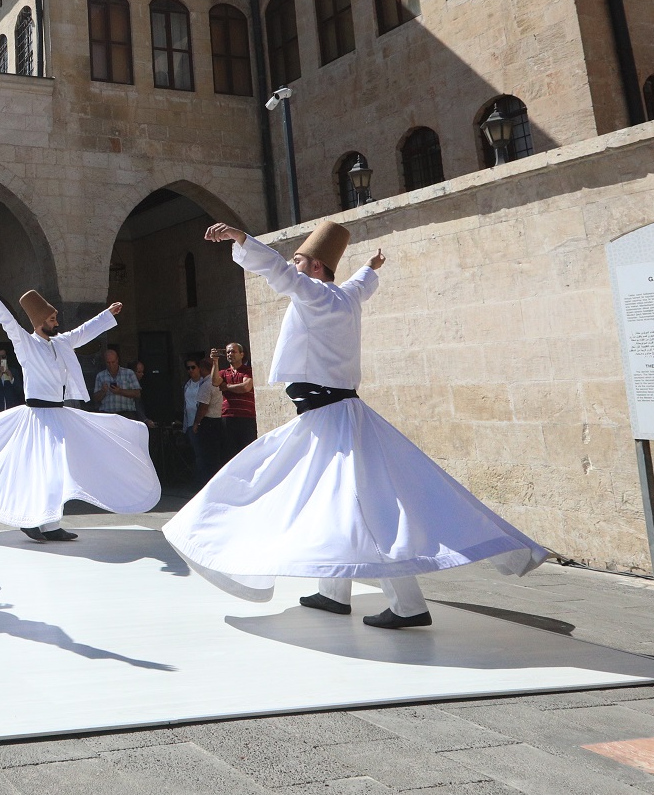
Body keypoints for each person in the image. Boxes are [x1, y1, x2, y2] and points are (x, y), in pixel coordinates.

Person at [166, 221, 547, 630]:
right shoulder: (347, 296)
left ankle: (408, 604)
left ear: (314, 269)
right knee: (336, 499)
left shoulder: (313, 294)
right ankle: (333, 593)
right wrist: (371, 265)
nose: (293, 267)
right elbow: (362, 283)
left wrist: (241, 239)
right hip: (334, 414)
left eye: (299, 261)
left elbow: (276, 271)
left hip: (329, 418)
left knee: (357, 503)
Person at [0, 280, 158, 543]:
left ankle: (51, 524)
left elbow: (84, 331)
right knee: (38, 470)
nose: (56, 322)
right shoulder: (25, 344)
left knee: (56, 471)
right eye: (52, 318)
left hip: (59, 414)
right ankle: (30, 520)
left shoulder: (61, 342)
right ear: (40, 321)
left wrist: (107, 314)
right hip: (37, 416)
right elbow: (8, 322)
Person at [214, 341, 256, 465]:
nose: (230, 354)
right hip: (228, 416)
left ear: (242, 354)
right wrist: (215, 362)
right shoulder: (224, 372)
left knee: (247, 450)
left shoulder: (248, 370)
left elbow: (245, 387)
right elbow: (215, 382)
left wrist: (226, 386)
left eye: (233, 351)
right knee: (230, 453)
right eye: (227, 352)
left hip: (246, 417)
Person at [93, 346, 141, 419]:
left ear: (117, 360)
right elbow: (96, 399)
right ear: (105, 362)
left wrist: (120, 391)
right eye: (108, 363)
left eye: (113, 362)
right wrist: (103, 391)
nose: (111, 365)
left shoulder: (129, 373)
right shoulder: (100, 376)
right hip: (107, 415)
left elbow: (137, 394)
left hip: (126, 414)